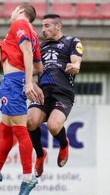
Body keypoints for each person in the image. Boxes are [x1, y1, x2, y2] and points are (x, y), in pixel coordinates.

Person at [0, 3, 44, 195]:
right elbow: (39, 66)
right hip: (14, 81)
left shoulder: (19, 24)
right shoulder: (33, 33)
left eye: (13, 9)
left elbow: (27, 53)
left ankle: (27, 177)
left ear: (21, 11)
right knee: (6, 128)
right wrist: (29, 78)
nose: (11, 13)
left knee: (20, 130)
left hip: (14, 83)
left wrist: (27, 82)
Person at [27, 14, 83, 177]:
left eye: (47, 26)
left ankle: (64, 145)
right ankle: (40, 154)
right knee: (30, 122)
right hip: (43, 92)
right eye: (42, 26)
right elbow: (30, 69)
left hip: (63, 93)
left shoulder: (72, 41)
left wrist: (75, 66)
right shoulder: (39, 46)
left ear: (58, 26)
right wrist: (31, 82)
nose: (43, 29)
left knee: (53, 126)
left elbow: (76, 62)